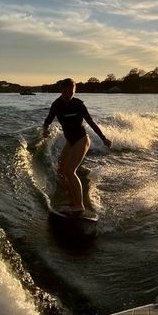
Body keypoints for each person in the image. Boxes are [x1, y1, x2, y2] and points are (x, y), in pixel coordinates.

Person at [43, 78, 111, 214]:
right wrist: (45, 129)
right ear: (61, 91)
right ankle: (71, 199)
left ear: (75, 91)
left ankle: (79, 205)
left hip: (81, 139)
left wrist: (103, 138)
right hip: (70, 141)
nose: (68, 94)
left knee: (69, 171)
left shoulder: (78, 104)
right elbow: (48, 119)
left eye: (71, 92)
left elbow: (90, 122)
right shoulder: (56, 104)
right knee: (61, 170)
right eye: (65, 91)